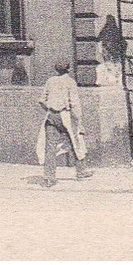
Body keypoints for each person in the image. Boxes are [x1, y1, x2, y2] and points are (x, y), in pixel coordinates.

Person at [36, 59, 92, 187]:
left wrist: (49, 108)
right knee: (75, 142)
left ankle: (49, 177)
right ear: (68, 69)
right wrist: (79, 121)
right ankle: (81, 171)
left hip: (51, 116)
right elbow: (75, 104)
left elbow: (41, 100)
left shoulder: (50, 81)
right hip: (66, 115)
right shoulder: (70, 82)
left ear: (56, 69)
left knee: (50, 147)